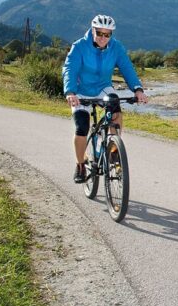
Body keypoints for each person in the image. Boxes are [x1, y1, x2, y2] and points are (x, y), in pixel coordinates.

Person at [63, 14, 148, 183]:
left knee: (116, 110)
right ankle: (80, 164)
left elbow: (127, 67)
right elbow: (69, 69)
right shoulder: (79, 46)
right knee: (81, 127)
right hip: (80, 90)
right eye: (99, 33)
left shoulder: (116, 47)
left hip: (103, 87)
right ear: (92, 30)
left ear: (111, 35)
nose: (103, 38)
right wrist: (70, 92)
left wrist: (138, 89)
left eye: (107, 34)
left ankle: (114, 149)